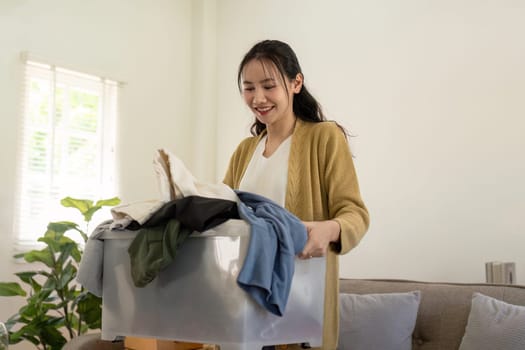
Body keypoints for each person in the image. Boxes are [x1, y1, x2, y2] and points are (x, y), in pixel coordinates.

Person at [223, 39, 370, 350]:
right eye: (248, 88)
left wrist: (330, 228)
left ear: (296, 83)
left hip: (300, 307)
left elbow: (355, 213)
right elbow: (223, 217)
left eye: (268, 86)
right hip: (243, 307)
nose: (258, 98)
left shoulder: (324, 138)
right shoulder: (243, 152)